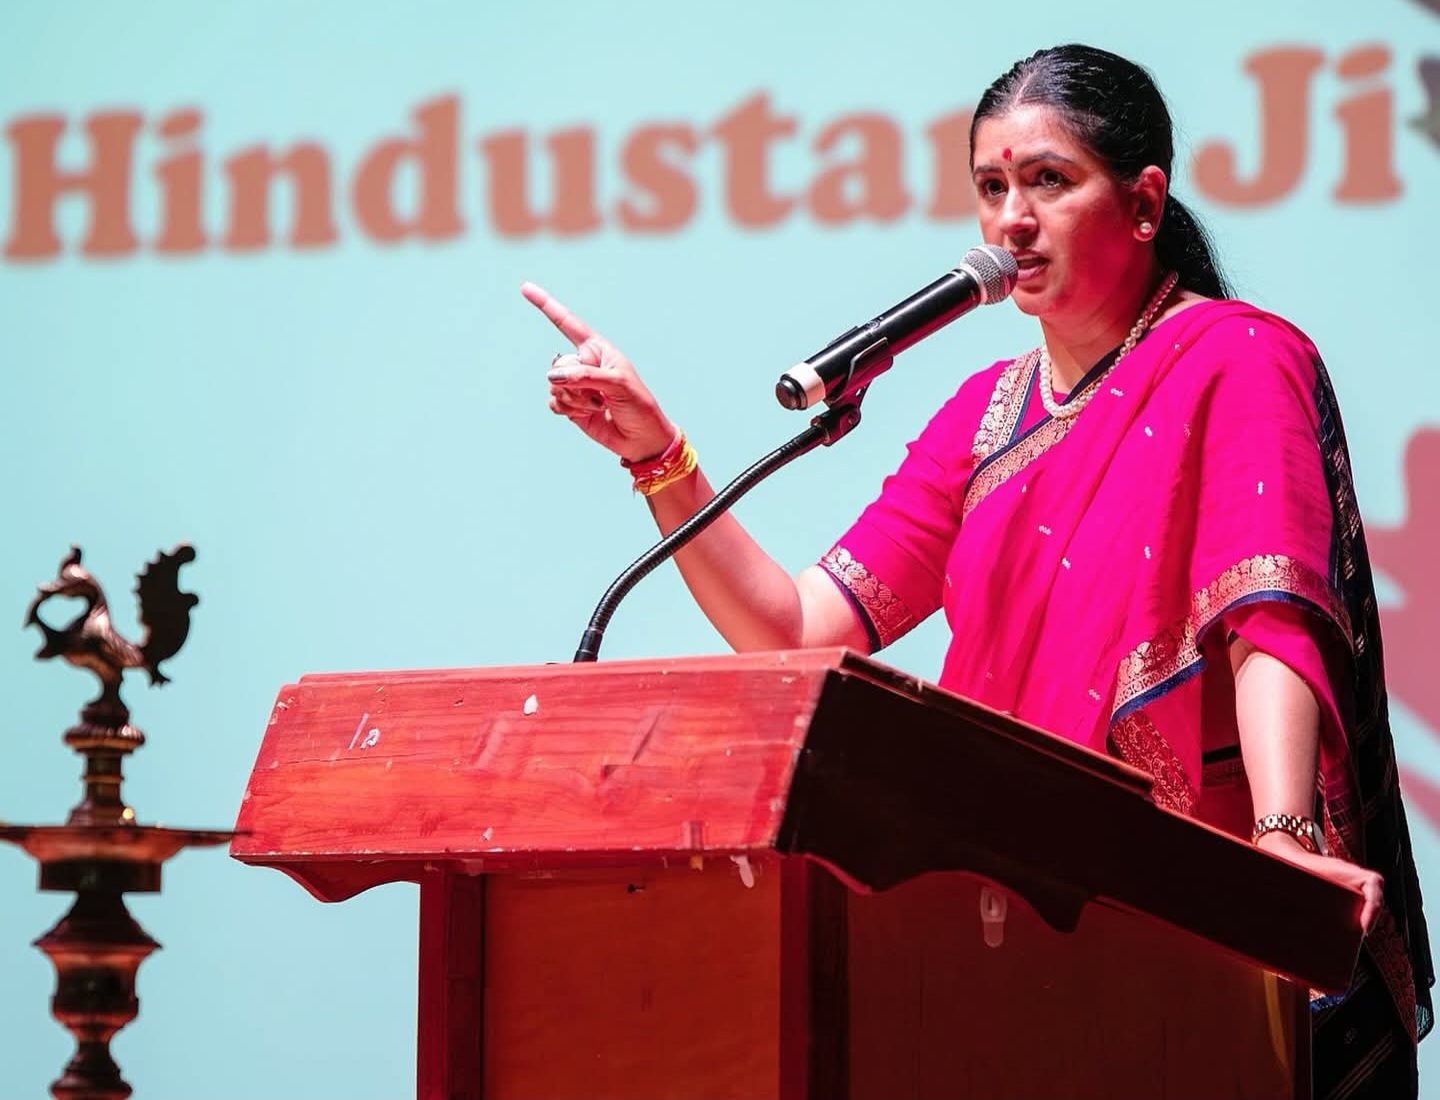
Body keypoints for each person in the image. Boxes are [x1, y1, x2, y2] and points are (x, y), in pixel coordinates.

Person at [522, 43, 1432, 1099]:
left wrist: (1283, 842)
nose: (1012, 219)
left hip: (1187, 925)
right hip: (1004, 934)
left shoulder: (1236, 355)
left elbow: (1269, 610)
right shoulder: (985, 418)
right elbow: (798, 630)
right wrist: (658, 456)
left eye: (1048, 180)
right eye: (992, 189)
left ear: (1144, 204)